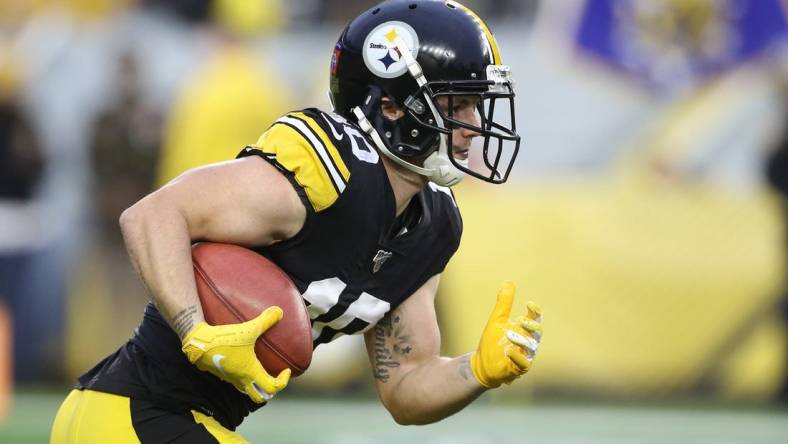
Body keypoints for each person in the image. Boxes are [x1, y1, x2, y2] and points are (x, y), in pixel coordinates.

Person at [50, 1, 544, 442]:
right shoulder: (330, 169)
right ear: (390, 107)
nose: (475, 125)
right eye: (457, 105)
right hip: (130, 413)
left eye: (476, 106)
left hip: (192, 421)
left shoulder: (430, 226)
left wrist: (476, 370)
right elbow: (152, 214)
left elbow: (406, 387)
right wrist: (194, 330)